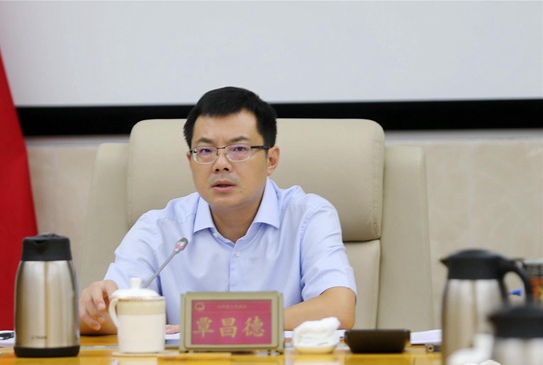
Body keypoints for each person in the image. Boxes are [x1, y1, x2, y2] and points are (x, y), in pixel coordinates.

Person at [79, 87, 356, 335]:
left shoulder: (308, 217)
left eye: (239, 149)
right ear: (190, 161)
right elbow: (104, 318)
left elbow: (339, 309)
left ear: (271, 160)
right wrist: (94, 310)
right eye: (205, 151)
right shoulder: (158, 228)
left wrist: (214, 323)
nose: (221, 164)